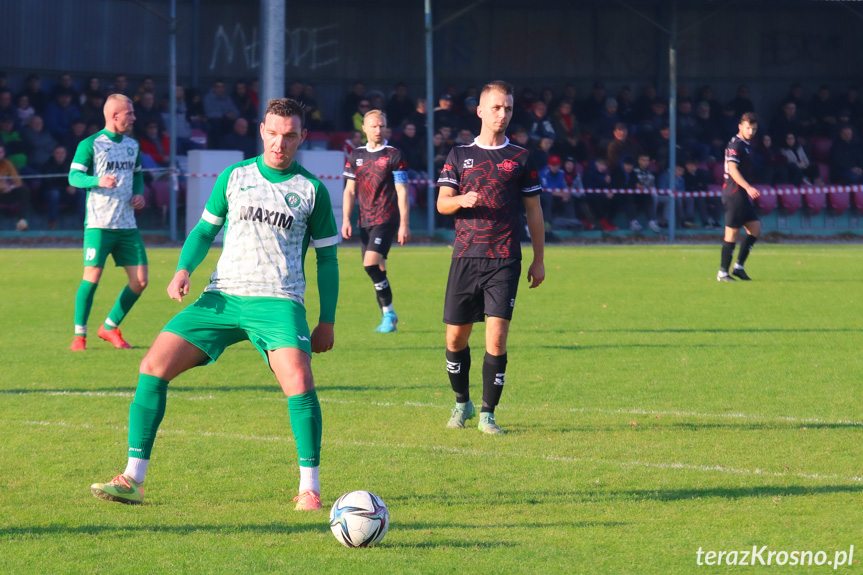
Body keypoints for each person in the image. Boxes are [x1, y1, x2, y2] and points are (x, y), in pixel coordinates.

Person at [90, 97, 339, 511]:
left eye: (290, 135)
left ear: (302, 137)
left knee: (298, 378)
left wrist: (326, 320)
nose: (280, 143)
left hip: (278, 301)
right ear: (262, 131)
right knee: (153, 365)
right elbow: (205, 231)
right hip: (221, 297)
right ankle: (133, 478)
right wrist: (184, 268)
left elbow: (327, 259)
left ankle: (309, 488)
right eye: (274, 134)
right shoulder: (234, 176)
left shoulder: (310, 190)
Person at [436, 80, 545, 435]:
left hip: (504, 259)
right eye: (496, 107)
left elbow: (534, 211)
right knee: (455, 339)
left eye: (508, 108)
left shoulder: (521, 158)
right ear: (480, 110)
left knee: (496, 338)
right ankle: (461, 404)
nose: (503, 114)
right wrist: (461, 201)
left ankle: (488, 414)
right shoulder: (458, 155)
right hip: (466, 257)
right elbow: (442, 204)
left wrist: (539, 259)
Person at [68, 94, 148, 350]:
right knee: (92, 278)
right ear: (114, 116)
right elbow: (74, 177)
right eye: (129, 114)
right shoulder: (90, 144)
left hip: (126, 225)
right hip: (99, 224)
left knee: (140, 281)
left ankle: (110, 326)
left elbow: (138, 176)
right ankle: (79, 335)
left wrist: (139, 194)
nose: (134, 118)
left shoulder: (132, 145)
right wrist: (97, 181)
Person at [341, 109, 410, 333]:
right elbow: (350, 191)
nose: (378, 130)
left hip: (386, 219)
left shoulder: (394, 155)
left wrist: (404, 224)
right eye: (374, 126)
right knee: (378, 269)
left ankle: (389, 313)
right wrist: (346, 220)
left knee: (370, 264)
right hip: (365, 220)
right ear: (364, 128)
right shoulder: (356, 156)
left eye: (382, 126)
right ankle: (388, 316)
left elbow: (401, 191)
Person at [718, 112, 761, 282]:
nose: (751, 131)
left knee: (755, 229)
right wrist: (748, 187)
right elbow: (733, 170)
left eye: (754, 129)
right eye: (748, 128)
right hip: (734, 194)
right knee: (732, 234)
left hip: (741, 195)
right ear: (740, 127)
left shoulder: (746, 145)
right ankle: (722, 272)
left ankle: (739, 267)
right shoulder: (735, 144)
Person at [0, 143, 32, 230]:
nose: (0, 154)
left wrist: (11, 187)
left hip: (6, 192)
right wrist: (2, 186)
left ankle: (21, 222)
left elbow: (18, 180)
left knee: (24, 190)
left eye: (1, 152)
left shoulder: (7, 163)